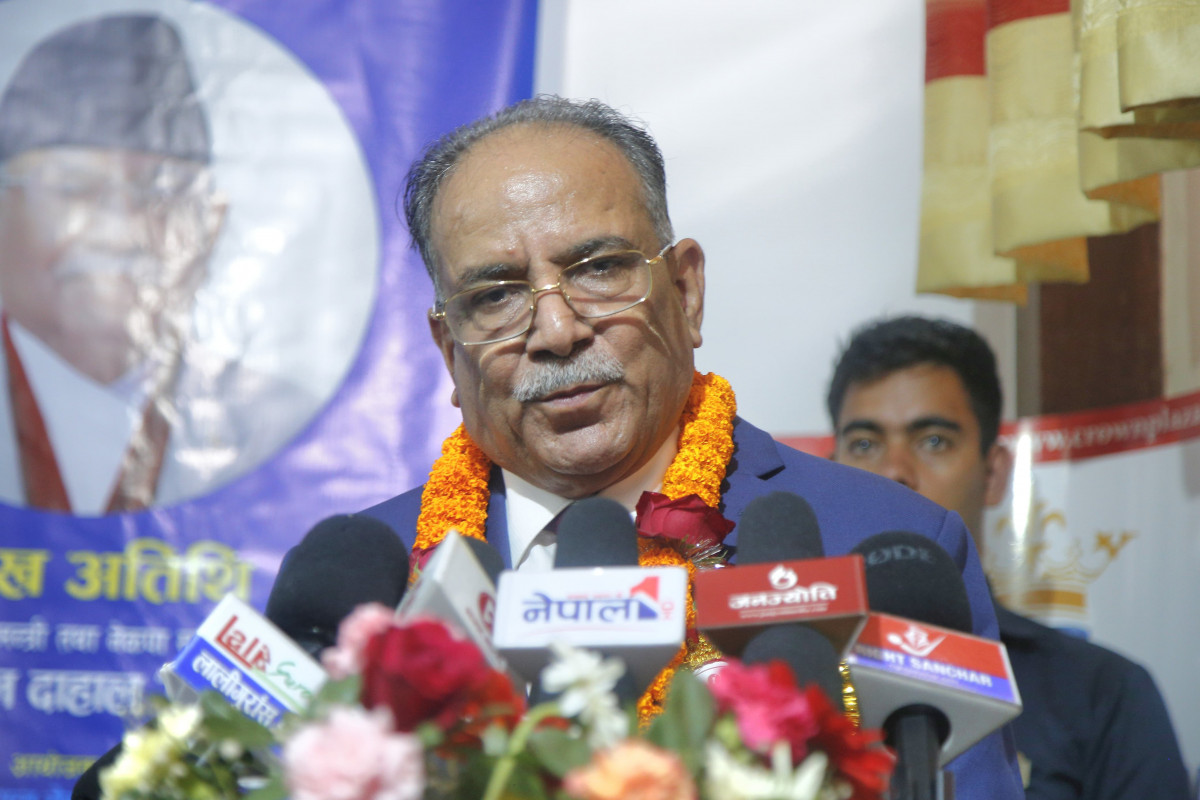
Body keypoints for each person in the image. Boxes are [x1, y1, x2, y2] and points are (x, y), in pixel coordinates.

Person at [353, 95, 1024, 798]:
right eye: (495, 296)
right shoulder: (368, 594)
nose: (556, 331)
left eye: (597, 269)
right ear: (448, 348)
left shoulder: (883, 548)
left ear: (686, 290)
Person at [827, 314, 1191, 799]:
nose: (895, 471)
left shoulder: (1099, 692)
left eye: (933, 441)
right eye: (864, 444)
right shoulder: (773, 685)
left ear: (994, 473)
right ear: (828, 473)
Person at [0, 13, 305, 515]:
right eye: (74, 188)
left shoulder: (283, 426)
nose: (120, 229)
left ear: (211, 225)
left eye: (161, 191)